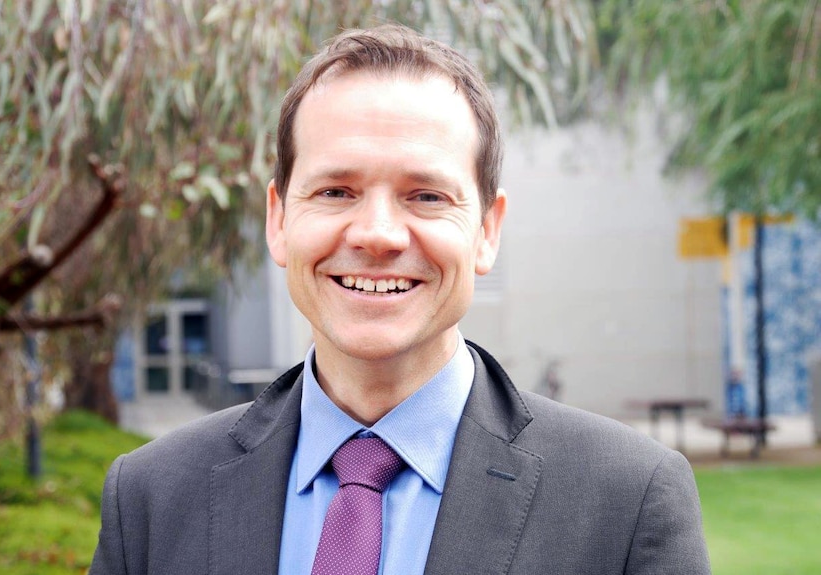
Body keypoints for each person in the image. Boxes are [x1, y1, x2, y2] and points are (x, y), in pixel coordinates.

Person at [90, 24, 710, 575]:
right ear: (278, 220)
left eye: (426, 195)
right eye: (335, 191)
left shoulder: (626, 500)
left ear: (487, 231)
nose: (378, 235)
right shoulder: (150, 498)